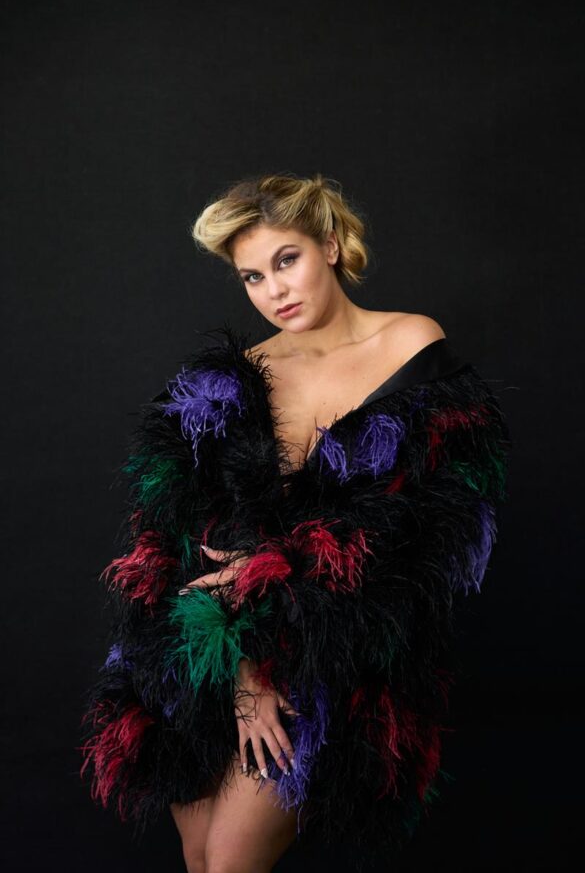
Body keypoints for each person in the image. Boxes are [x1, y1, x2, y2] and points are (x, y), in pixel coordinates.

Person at [79, 173, 511, 873]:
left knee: (230, 862)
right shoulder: (238, 377)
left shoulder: (409, 343)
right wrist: (242, 668)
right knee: (201, 857)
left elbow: (428, 527)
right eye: (252, 276)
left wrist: (275, 582)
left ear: (330, 246)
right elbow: (177, 534)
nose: (274, 290)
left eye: (287, 260)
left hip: (324, 650)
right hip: (205, 652)